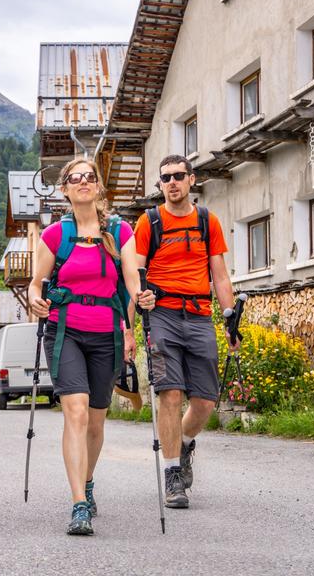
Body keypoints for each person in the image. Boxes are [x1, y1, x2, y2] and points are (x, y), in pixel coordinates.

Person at [28, 157, 148, 536]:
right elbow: (36, 282)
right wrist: (35, 298)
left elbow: (131, 278)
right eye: (75, 178)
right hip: (65, 332)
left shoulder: (119, 231)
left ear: (98, 187)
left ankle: (89, 479)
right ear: (64, 189)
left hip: (107, 334)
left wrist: (141, 298)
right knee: (76, 412)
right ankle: (79, 502)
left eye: (89, 177)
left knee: (96, 419)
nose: (83, 182)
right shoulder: (55, 235)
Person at [132, 154, 236, 509]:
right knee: (170, 395)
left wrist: (229, 316)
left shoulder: (208, 221)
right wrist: (133, 313)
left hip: (199, 315)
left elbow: (219, 275)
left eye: (178, 176)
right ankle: (173, 473)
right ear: (160, 184)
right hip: (162, 315)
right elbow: (136, 272)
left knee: (206, 400)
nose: (172, 182)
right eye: (165, 178)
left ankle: (186, 444)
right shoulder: (149, 222)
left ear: (192, 180)